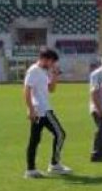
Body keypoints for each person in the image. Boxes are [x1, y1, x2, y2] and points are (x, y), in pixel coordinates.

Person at [23, 47, 71, 178]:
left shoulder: (43, 72)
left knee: (35, 140)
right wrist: (30, 109)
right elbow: (26, 91)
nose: (53, 64)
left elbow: (51, 89)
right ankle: (54, 165)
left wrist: (55, 76)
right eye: (52, 62)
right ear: (45, 59)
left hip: (42, 109)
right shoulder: (33, 71)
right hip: (42, 110)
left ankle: (30, 170)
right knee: (60, 134)